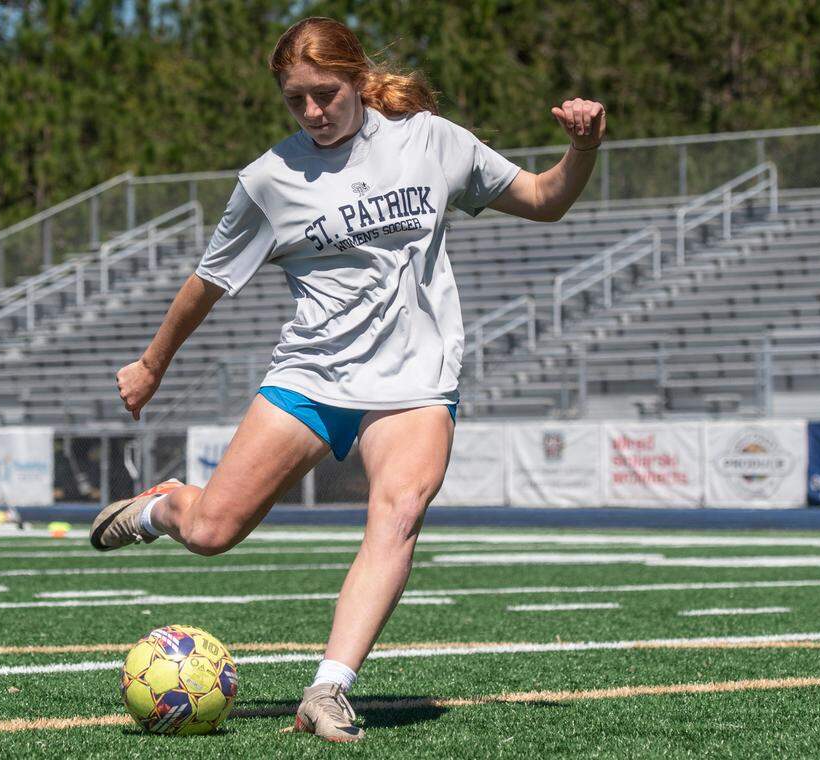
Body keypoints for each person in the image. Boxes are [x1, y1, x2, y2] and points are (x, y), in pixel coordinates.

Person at [89, 16, 606, 743]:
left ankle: (328, 689)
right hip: (313, 375)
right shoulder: (267, 181)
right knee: (210, 533)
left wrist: (582, 148)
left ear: (359, 80)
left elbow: (547, 199)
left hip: (415, 381)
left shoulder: (431, 141)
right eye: (294, 99)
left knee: (399, 511)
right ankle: (162, 508)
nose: (311, 111)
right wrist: (151, 365)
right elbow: (207, 283)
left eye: (325, 94)